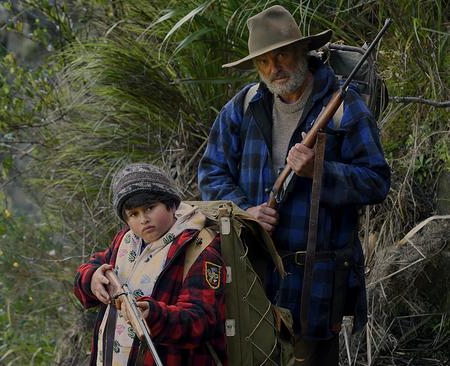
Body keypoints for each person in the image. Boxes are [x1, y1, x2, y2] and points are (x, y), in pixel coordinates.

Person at [198, 5, 390, 365]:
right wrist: (245, 213)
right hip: (254, 275)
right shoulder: (243, 107)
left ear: (302, 51)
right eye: (264, 61)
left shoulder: (343, 107)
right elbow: (211, 173)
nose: (275, 69)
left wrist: (321, 172)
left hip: (316, 281)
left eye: (282, 54)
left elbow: (377, 182)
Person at [74, 163, 226, 365]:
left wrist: (155, 316)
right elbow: (91, 268)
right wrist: (92, 279)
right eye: (133, 214)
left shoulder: (199, 248)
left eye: (149, 208)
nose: (143, 220)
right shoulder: (125, 241)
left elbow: (201, 321)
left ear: (171, 205)